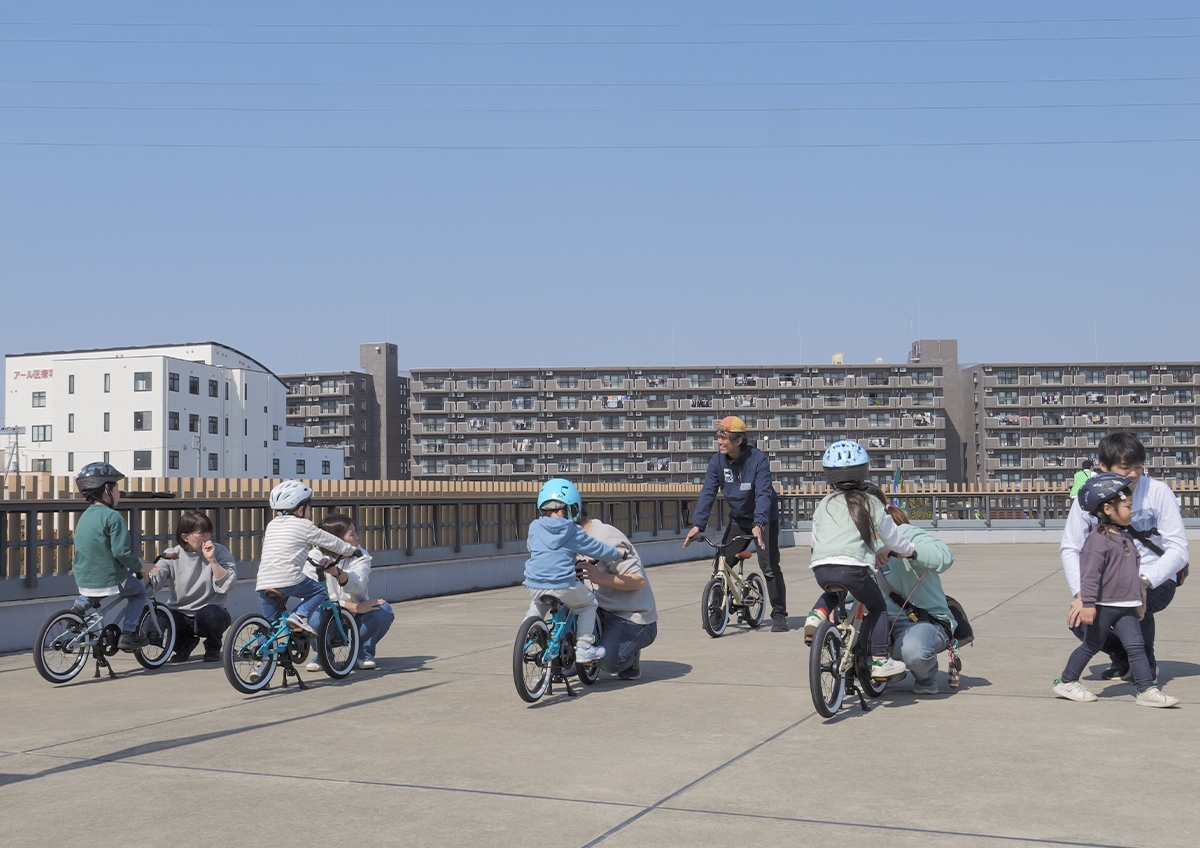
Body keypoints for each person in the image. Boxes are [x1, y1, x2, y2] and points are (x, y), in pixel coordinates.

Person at [1060, 432, 1188, 682]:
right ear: (1103, 466)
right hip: (1110, 581)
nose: (1133, 474)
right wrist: (1081, 594)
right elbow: (1070, 547)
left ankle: (1146, 666)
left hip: (1156, 576)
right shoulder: (1090, 496)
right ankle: (1124, 658)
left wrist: (1144, 581)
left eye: (1138, 467)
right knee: (1080, 620)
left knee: (1135, 604)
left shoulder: (1158, 492)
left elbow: (1179, 549)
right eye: (1125, 467)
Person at [1054, 474, 1179, 708]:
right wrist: (1088, 604)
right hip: (1104, 606)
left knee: (1136, 647)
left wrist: (1140, 600)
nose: (1132, 511)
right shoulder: (1097, 541)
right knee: (1090, 645)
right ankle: (1067, 681)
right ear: (1109, 509)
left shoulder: (1125, 537)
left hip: (1127, 606)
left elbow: (1132, 573)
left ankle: (1146, 689)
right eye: (1128, 507)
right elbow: (1090, 576)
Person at [804, 440, 916, 680]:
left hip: (821, 567)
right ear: (863, 471)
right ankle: (880, 660)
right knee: (878, 608)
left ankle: (815, 615)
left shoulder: (823, 504)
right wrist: (909, 551)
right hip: (853, 568)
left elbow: (814, 539)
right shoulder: (871, 502)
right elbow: (892, 537)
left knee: (834, 590)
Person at [683, 416, 788, 631]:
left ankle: (779, 614)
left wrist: (759, 523)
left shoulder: (758, 459)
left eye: (724, 438)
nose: (719, 441)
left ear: (738, 440)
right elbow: (708, 493)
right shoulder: (717, 462)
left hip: (764, 519)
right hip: (739, 519)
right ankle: (717, 612)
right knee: (721, 563)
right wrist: (698, 525)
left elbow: (763, 494)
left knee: (769, 566)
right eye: (718, 437)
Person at [523, 478, 626, 664]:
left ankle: (528, 630)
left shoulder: (534, 527)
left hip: (534, 584)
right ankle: (584, 648)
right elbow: (597, 549)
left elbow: (532, 548)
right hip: (563, 585)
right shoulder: (572, 530)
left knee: (539, 602)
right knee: (588, 605)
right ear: (571, 507)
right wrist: (618, 553)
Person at [68, 463, 155, 651]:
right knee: (138, 592)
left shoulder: (84, 517)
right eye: (116, 488)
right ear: (107, 490)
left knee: (93, 589)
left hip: (83, 578)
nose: (119, 493)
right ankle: (129, 634)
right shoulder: (114, 517)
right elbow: (121, 553)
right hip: (110, 579)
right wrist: (140, 566)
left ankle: (77, 610)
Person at [877, 496, 956, 695]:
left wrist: (907, 550)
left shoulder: (906, 532)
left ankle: (925, 677)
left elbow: (945, 556)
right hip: (878, 620)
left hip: (921, 620)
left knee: (913, 652)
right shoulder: (857, 542)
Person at [255, 480, 358, 633]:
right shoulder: (304, 525)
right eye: (309, 507)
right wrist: (351, 551)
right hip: (288, 578)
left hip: (264, 581)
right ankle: (300, 616)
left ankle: (264, 647)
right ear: (301, 510)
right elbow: (331, 541)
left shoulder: (272, 525)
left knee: (270, 626)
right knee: (319, 591)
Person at [303, 514, 394, 671]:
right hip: (329, 616)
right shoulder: (314, 557)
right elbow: (314, 598)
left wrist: (336, 572)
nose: (357, 537)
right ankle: (324, 657)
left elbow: (358, 584)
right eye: (352, 534)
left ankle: (361, 653)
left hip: (357, 618)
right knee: (311, 615)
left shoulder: (360, 554)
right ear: (336, 540)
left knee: (383, 610)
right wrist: (355, 607)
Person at [577, 510, 657, 680]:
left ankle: (631, 657)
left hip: (632, 617)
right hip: (599, 610)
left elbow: (637, 580)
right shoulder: (568, 541)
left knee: (607, 662)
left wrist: (599, 578)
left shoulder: (605, 538)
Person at [148, 510, 236, 662]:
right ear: (185, 537)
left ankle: (213, 646)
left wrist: (212, 560)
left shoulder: (220, 551)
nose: (207, 538)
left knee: (211, 616)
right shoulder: (173, 554)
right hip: (179, 613)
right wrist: (142, 571)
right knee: (151, 625)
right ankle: (183, 645)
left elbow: (227, 584)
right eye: (202, 534)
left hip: (210, 611)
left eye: (209, 533)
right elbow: (153, 583)